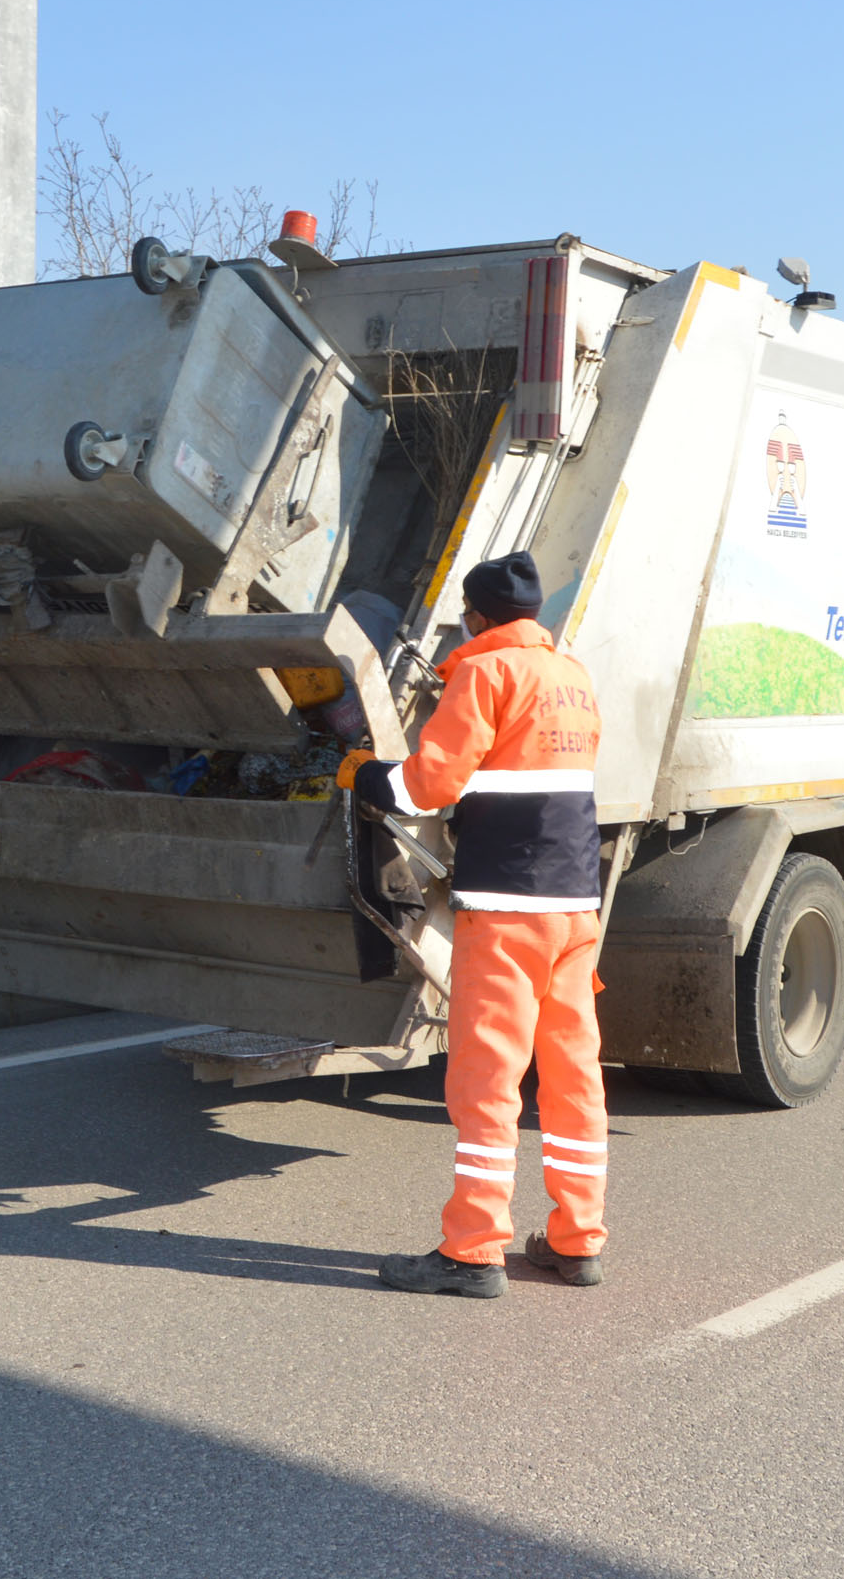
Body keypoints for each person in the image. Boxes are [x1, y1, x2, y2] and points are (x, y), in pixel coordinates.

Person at [354, 550, 608, 1298]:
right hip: (573, 905)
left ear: (475, 615)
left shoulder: (484, 673)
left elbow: (426, 784)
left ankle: (471, 1253)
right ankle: (577, 1240)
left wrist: (367, 774)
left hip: (506, 910)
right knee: (571, 1076)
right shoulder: (571, 676)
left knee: (487, 1078)